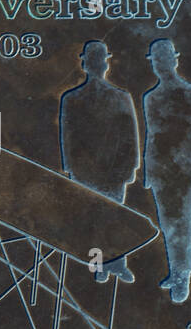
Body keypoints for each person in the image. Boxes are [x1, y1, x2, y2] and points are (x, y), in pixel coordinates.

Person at [142, 39, 191, 303]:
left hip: (184, 170)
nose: (160, 66)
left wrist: (182, 147)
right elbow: (151, 136)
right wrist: (149, 171)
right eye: (156, 61)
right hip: (161, 171)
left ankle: (182, 278)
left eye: (164, 60)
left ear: (174, 61)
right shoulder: (150, 97)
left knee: (183, 225)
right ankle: (174, 271)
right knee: (167, 225)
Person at [59, 41, 139, 283]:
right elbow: (68, 136)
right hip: (86, 171)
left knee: (114, 218)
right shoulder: (72, 99)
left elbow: (130, 136)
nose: (96, 64)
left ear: (105, 64)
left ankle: (117, 264)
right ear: (85, 64)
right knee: (92, 219)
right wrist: (70, 168)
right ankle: (99, 266)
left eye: (99, 60)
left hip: (115, 171)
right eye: (91, 60)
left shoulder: (121, 97)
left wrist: (130, 167)